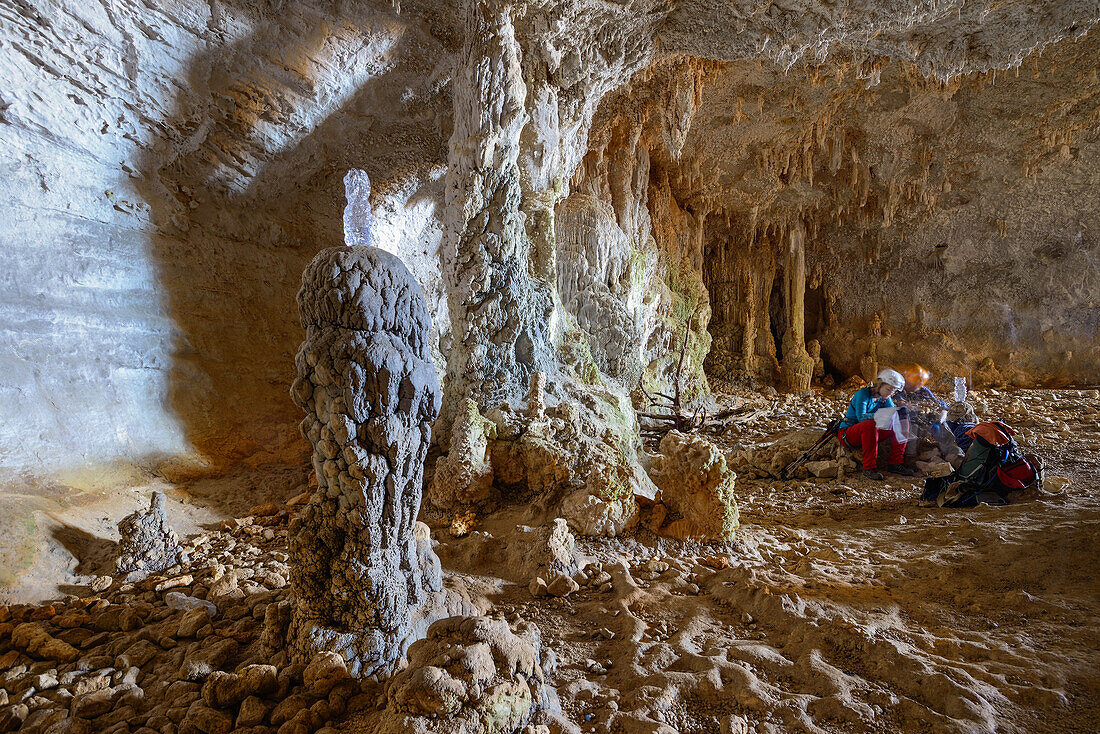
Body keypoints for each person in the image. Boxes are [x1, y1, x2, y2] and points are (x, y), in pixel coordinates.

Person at [838, 368, 915, 480]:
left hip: (870, 433)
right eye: (888, 389)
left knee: (902, 421)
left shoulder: (884, 398)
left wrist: (899, 413)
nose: (891, 393)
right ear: (879, 385)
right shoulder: (863, 394)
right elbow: (861, 417)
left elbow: (892, 412)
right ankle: (869, 468)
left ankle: (895, 463)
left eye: (893, 391)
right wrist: (883, 415)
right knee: (870, 424)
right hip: (849, 433)